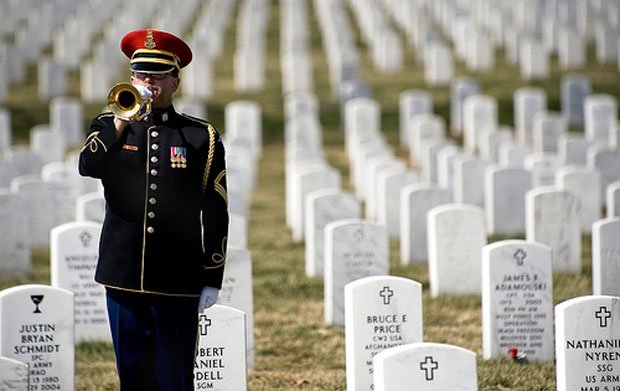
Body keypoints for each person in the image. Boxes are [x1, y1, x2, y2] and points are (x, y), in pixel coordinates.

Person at [78, 29, 229, 390]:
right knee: (133, 378)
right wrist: (120, 120)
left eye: (158, 75)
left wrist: (212, 276)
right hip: (122, 275)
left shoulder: (199, 137)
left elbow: (216, 209)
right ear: (131, 78)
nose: (149, 83)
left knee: (175, 378)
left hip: (177, 279)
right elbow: (89, 166)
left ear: (175, 80)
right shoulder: (108, 127)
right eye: (141, 74)